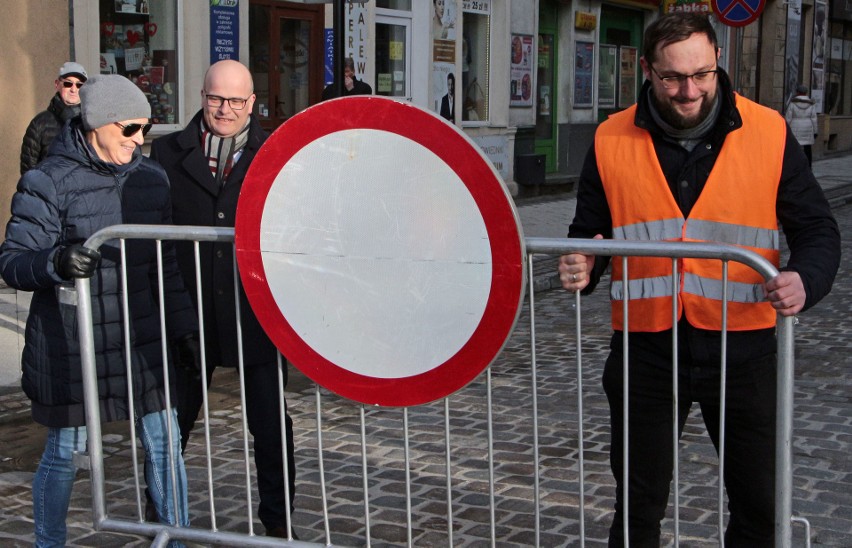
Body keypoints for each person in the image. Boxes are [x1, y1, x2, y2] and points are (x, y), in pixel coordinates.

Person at [557, 14, 840, 547]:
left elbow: (818, 230)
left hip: (746, 348)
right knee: (637, 504)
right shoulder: (610, 137)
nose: (689, 91)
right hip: (645, 349)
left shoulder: (769, 131)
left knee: (759, 501)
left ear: (717, 64)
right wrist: (583, 265)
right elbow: (588, 233)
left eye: (702, 74)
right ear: (647, 69)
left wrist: (805, 279)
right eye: (671, 78)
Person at [0, 74, 197, 546]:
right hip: (74, 339)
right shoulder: (47, 181)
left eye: (145, 131)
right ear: (96, 123)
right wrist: (54, 260)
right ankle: (50, 541)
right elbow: (12, 261)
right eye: (129, 129)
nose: (138, 141)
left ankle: (177, 537)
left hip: (139, 336)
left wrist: (185, 329)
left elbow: (165, 265)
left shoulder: (151, 179)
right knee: (65, 451)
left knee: (165, 443)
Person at [149, 59, 297, 539]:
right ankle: (161, 522)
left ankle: (278, 527)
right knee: (171, 427)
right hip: (187, 310)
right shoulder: (167, 152)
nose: (225, 109)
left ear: (253, 102)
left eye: (237, 100)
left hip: (256, 311)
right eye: (217, 98)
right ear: (201, 96)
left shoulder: (276, 152)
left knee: (270, 428)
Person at [20, 61, 88, 174]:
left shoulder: (91, 121)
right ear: (57, 84)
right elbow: (28, 172)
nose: (74, 89)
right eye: (68, 83)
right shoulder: (39, 123)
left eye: (79, 84)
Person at [786, 84, 819, 166]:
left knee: (794, 147)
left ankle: (793, 165)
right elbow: (814, 119)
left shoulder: (793, 103)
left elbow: (788, 118)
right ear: (806, 92)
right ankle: (808, 166)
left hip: (795, 128)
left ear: (797, 92)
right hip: (807, 128)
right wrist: (815, 131)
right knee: (807, 148)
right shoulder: (811, 104)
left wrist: (786, 129)